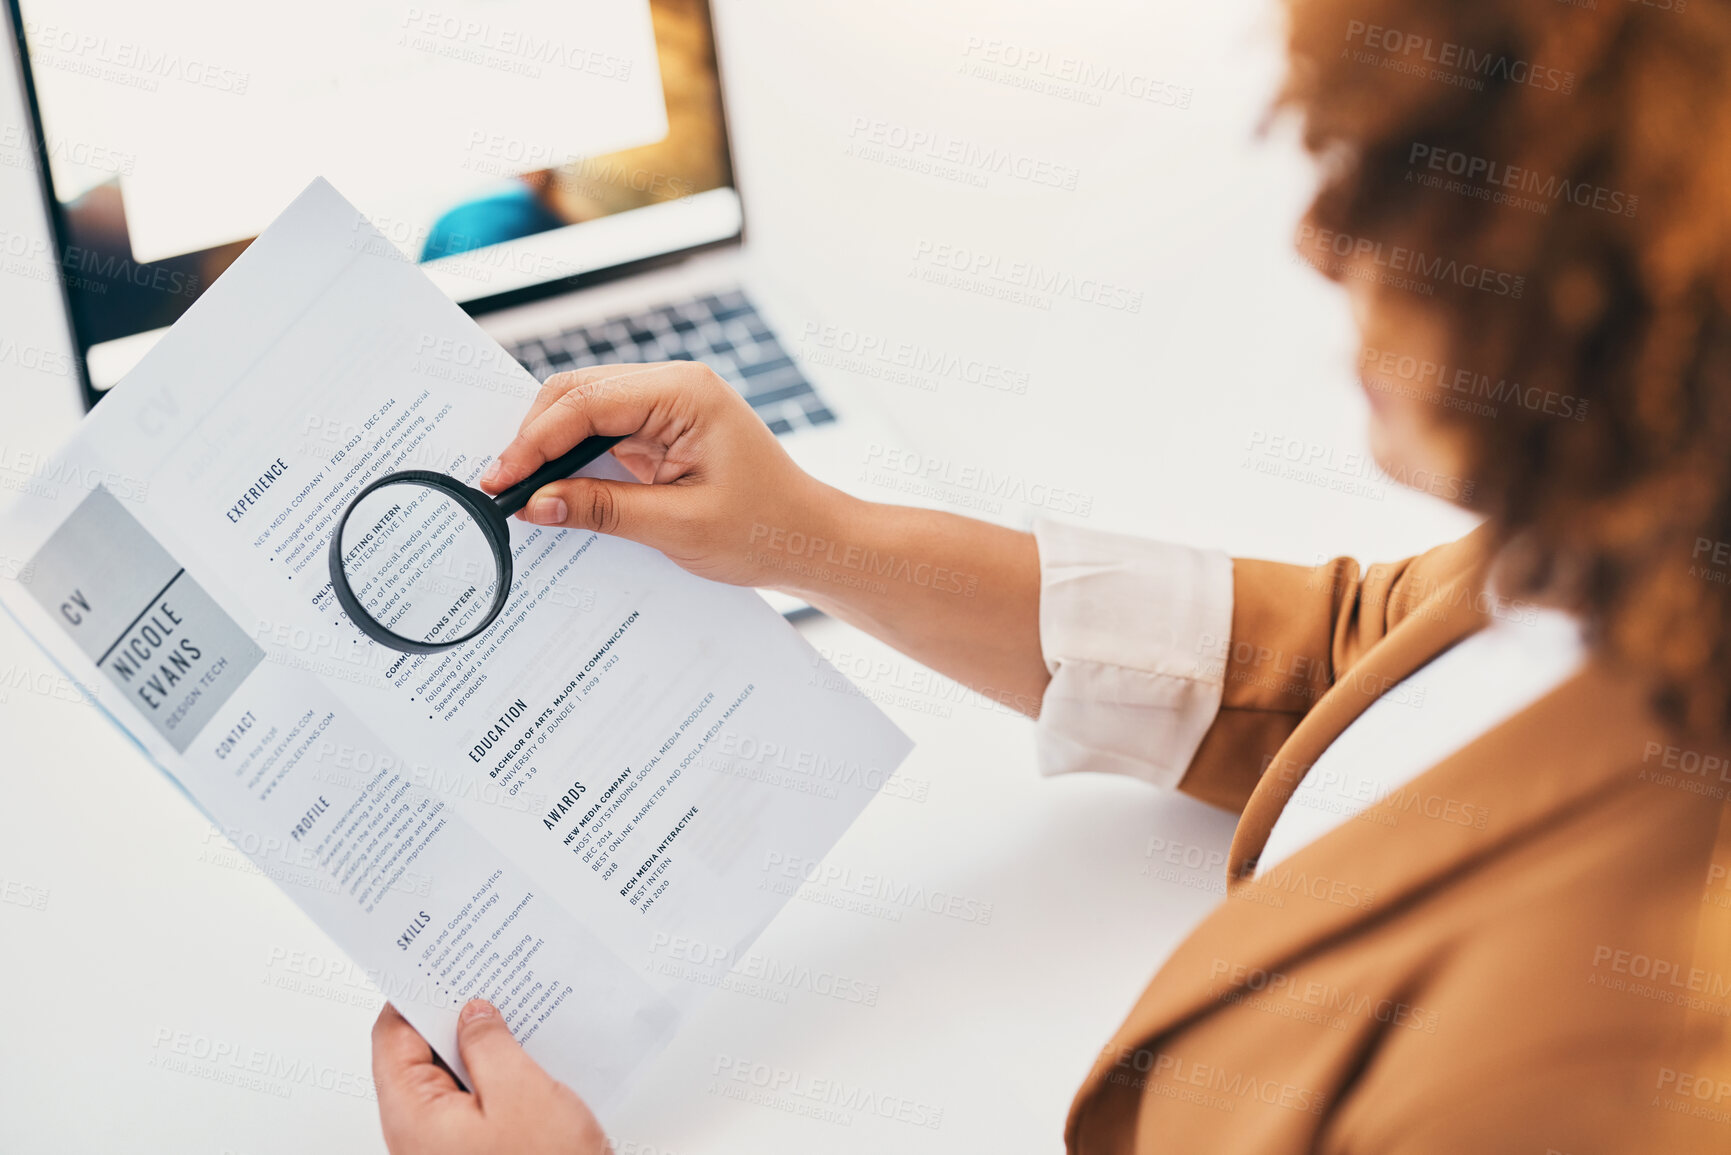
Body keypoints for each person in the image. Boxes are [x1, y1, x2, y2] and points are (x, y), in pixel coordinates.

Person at [371, 0, 1731, 1150]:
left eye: (1391, 192)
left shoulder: (1603, 1060)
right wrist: (807, 535)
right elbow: (1359, 661)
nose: (1318, 244)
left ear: (1619, 290)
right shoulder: (1653, 529)